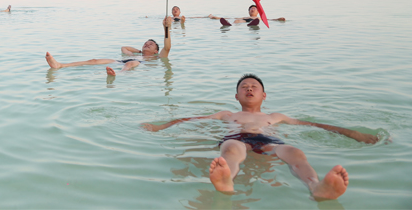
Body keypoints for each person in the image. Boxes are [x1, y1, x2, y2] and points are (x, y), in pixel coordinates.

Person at [141, 74, 378, 200]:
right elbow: (191, 119)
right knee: (232, 149)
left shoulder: (275, 116)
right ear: (236, 96)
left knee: (295, 153)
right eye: (244, 86)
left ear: (264, 95)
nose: (249, 89)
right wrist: (160, 127)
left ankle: (316, 187)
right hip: (237, 137)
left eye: (254, 86)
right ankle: (227, 181)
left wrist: (355, 134)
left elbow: (314, 124)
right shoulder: (227, 114)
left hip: (269, 142)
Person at [45, 17, 172, 75]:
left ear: (156, 51)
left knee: (130, 64)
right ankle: (60, 65)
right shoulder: (136, 54)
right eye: (145, 43)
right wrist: (140, 51)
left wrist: (166, 28)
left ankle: (118, 74)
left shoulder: (156, 58)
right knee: (93, 61)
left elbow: (167, 48)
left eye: (150, 45)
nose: (147, 44)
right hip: (121, 61)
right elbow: (124, 48)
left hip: (136, 63)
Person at [209, 5, 286, 26]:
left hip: (255, 21)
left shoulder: (259, 17)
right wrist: (214, 17)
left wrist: (279, 19)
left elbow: (270, 20)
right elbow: (228, 18)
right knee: (237, 20)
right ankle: (229, 25)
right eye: (251, 9)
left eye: (254, 9)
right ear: (249, 11)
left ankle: (251, 25)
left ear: (258, 11)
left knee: (255, 21)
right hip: (245, 21)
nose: (252, 9)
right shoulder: (244, 17)